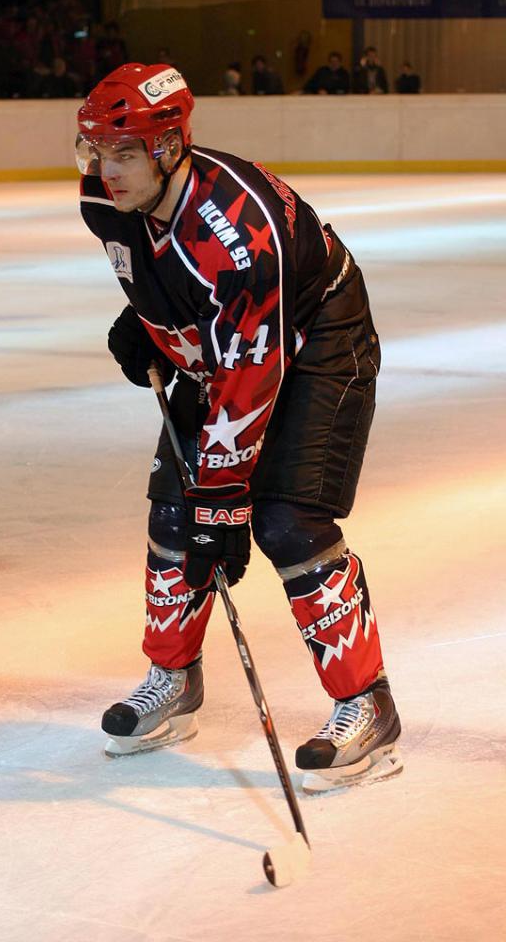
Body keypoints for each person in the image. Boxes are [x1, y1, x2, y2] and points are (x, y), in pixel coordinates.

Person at [76, 63, 402, 792]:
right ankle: (174, 679)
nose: (107, 169)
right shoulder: (104, 200)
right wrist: (151, 327)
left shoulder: (242, 240)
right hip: (233, 334)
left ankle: (366, 705)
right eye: (97, 150)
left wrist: (223, 505)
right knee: (173, 510)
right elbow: (166, 282)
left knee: (286, 520)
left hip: (320, 337)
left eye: (125, 153)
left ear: (169, 148)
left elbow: (249, 375)